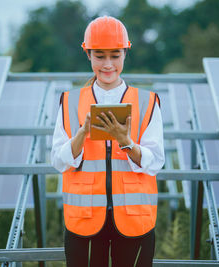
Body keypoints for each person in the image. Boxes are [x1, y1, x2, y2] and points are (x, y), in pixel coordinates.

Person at [51, 15, 165, 267]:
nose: (108, 64)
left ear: (125, 53)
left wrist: (127, 143)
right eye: (99, 55)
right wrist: (82, 134)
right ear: (88, 54)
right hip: (84, 220)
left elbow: (156, 161)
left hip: (135, 220)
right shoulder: (69, 101)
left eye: (115, 55)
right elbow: (58, 162)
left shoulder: (147, 102)